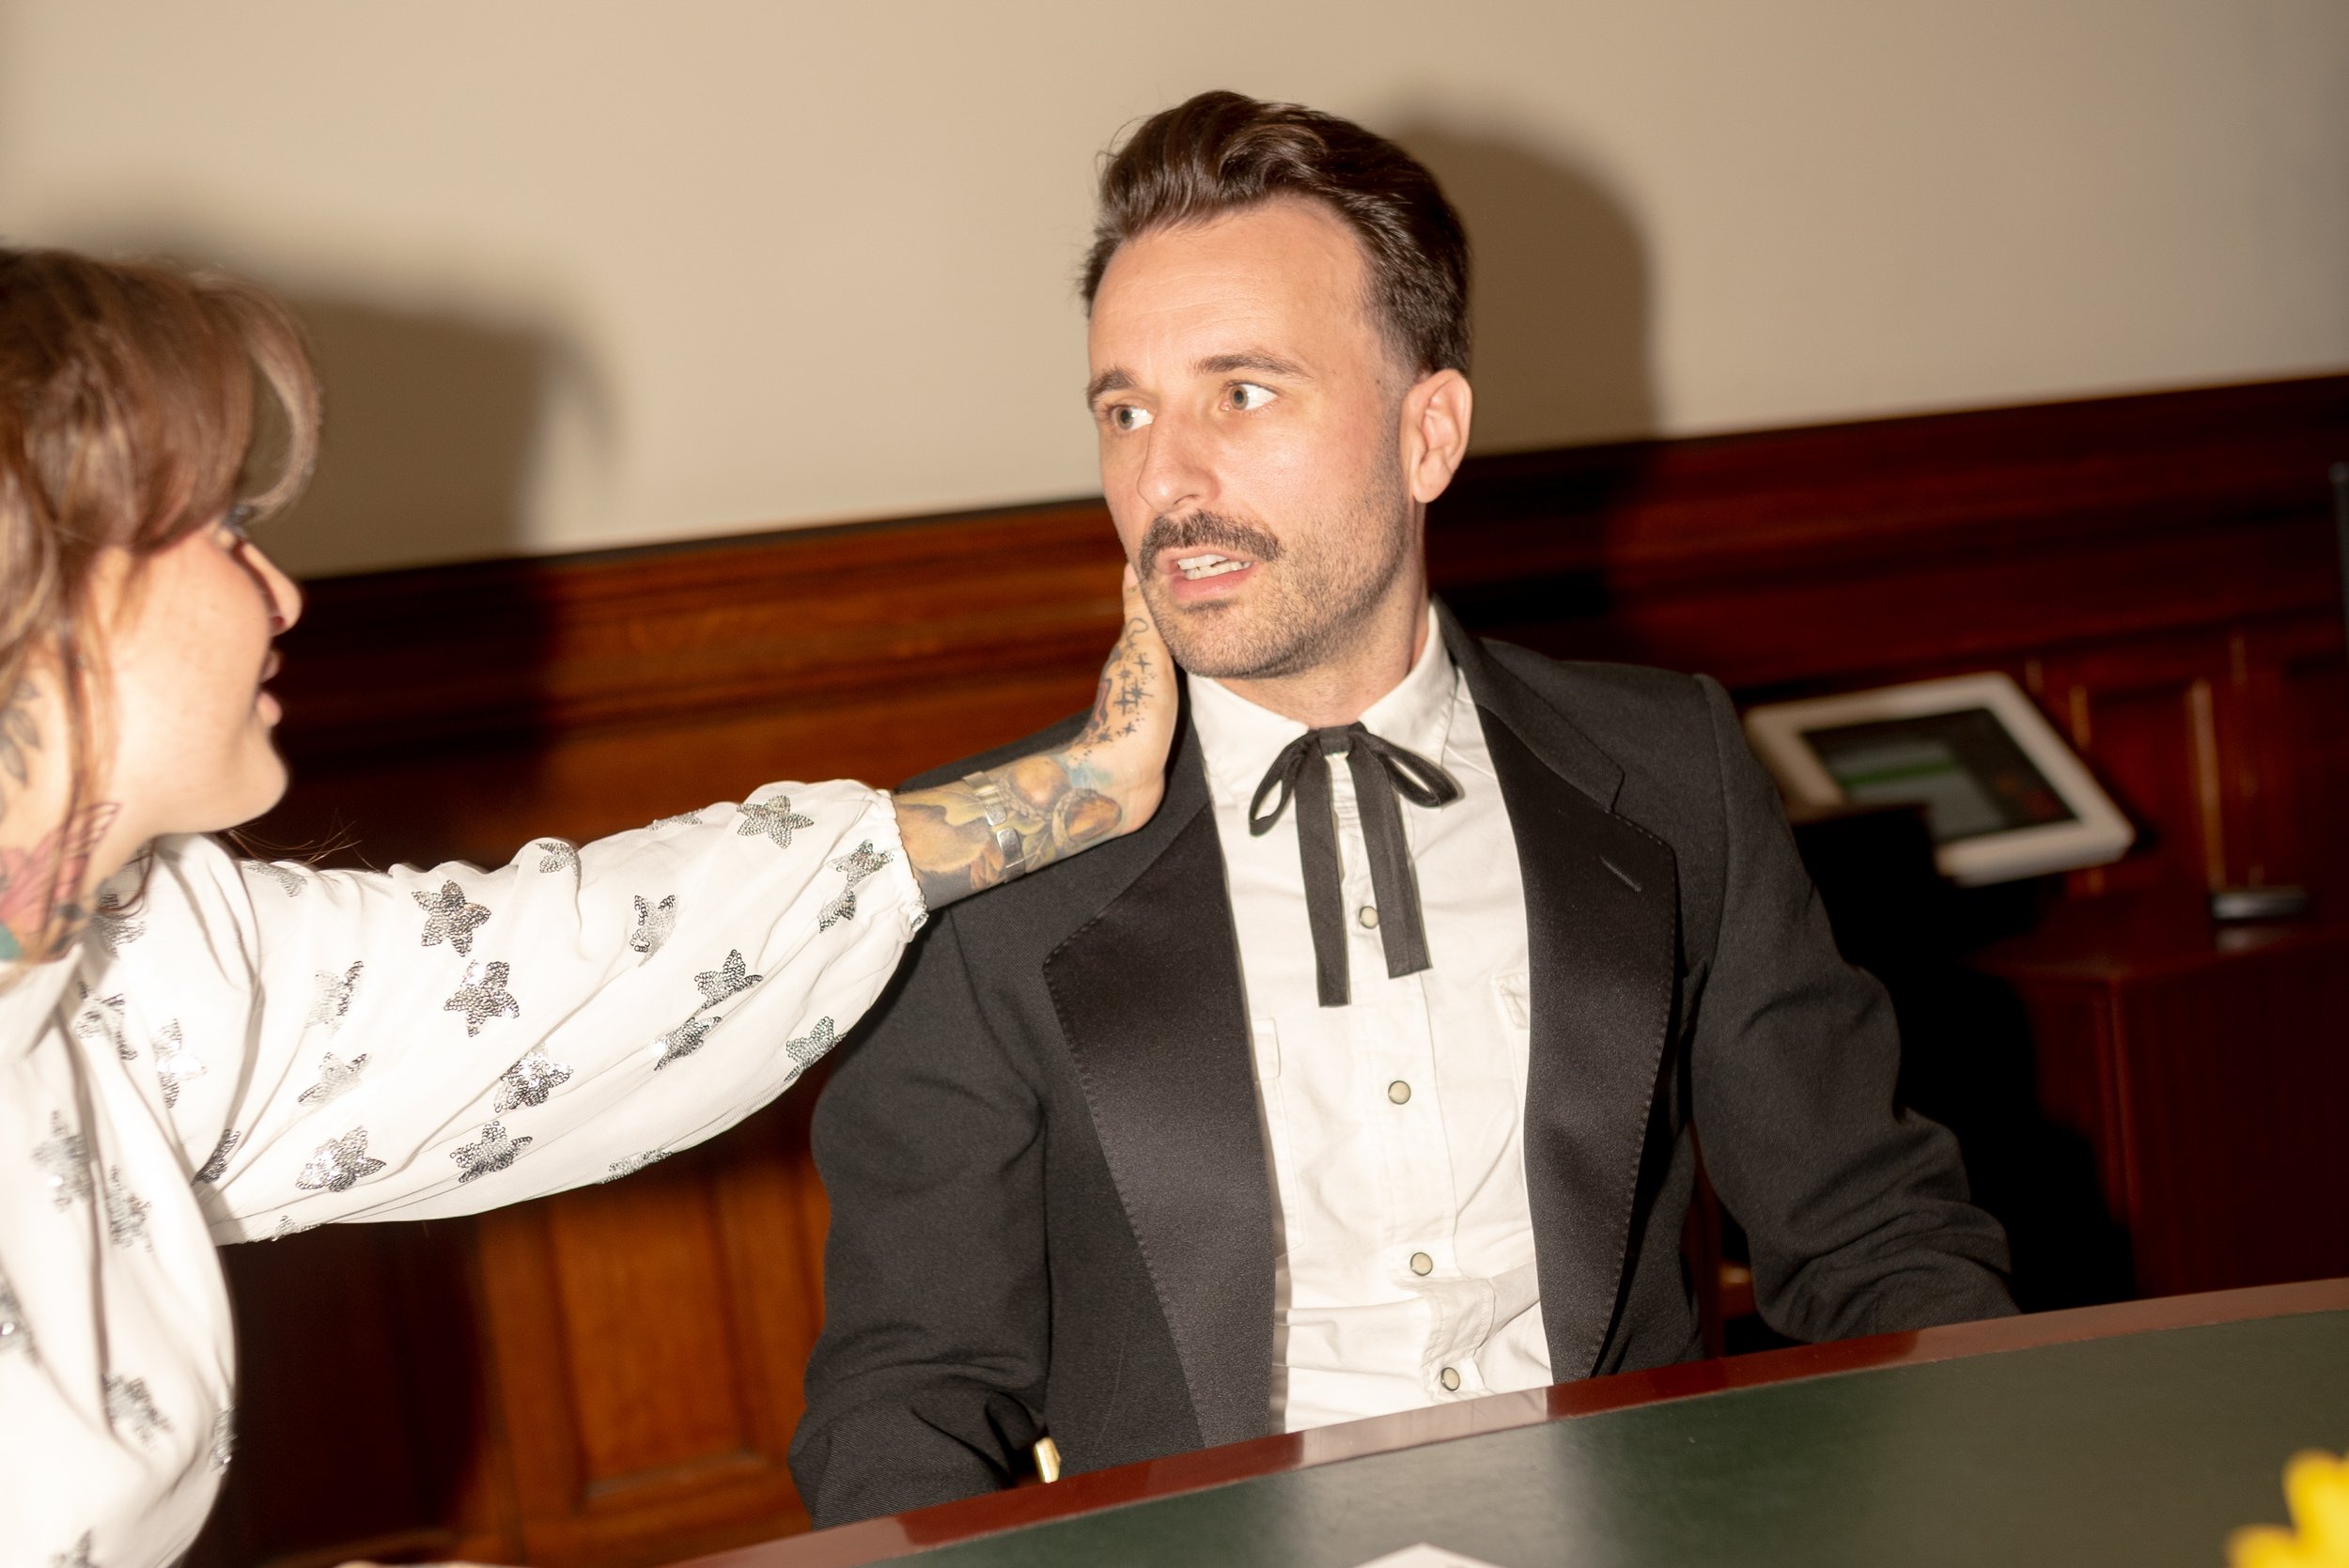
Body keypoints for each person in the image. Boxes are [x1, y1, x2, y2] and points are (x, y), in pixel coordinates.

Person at [790, 90, 2016, 1527]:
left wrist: (1968, 1508)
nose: (1166, 481)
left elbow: (1875, 1233)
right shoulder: (988, 866)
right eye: (1125, 409)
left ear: (1428, 434)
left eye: (1241, 394)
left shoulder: (1671, 772)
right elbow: (907, 1394)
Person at [0, 247, 1175, 1568]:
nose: (280, 591)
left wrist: (1080, 786)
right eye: (223, 530)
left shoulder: (144, 957)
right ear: (58, 579)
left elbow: (568, 969)